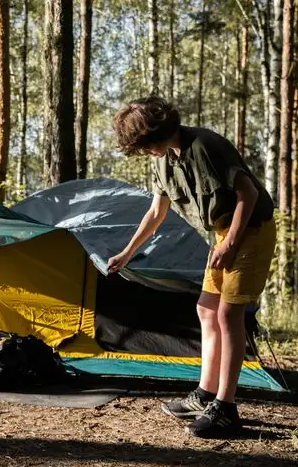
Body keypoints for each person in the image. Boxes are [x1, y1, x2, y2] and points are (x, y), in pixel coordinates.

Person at [107, 96, 275, 438]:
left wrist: (229, 244)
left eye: (142, 144)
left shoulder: (206, 145)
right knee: (206, 309)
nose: (143, 152)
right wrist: (127, 253)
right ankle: (205, 394)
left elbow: (249, 195)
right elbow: (156, 213)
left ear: (153, 132)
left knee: (229, 313)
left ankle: (226, 408)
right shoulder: (163, 160)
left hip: (251, 229)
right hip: (223, 232)